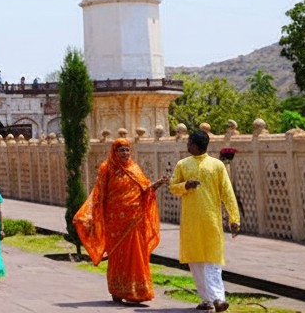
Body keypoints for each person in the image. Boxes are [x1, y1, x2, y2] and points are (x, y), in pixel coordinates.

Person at [73, 138, 170, 304]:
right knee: (118, 257)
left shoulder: (135, 168)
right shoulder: (107, 168)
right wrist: (92, 215)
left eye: (127, 150)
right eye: (121, 150)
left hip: (135, 220)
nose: (125, 153)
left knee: (137, 255)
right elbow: (99, 194)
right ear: (114, 152)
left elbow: (145, 190)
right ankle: (117, 290)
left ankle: (139, 292)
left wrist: (157, 185)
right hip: (115, 223)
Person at [169, 130, 240, 313]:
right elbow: (173, 187)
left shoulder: (216, 165)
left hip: (211, 221)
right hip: (191, 222)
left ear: (196, 145)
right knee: (195, 262)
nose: (187, 146)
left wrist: (234, 218)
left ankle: (218, 298)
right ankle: (207, 300)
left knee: (213, 261)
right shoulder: (183, 165)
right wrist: (185, 185)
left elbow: (227, 192)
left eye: (189, 143)